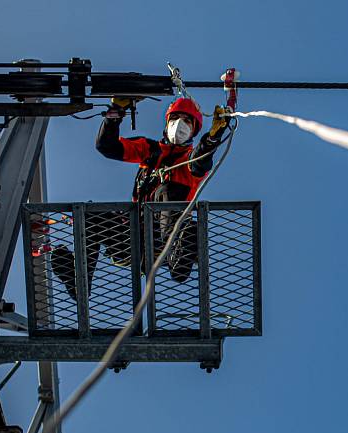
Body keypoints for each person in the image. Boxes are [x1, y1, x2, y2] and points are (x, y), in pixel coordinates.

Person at [52, 96, 230, 300]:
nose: (180, 124)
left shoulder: (189, 158)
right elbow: (107, 146)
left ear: (194, 130)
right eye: (176, 118)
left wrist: (212, 138)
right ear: (167, 121)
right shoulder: (151, 150)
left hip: (163, 241)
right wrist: (114, 114)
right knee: (93, 214)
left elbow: (200, 163)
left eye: (187, 121)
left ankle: (180, 259)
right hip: (130, 238)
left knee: (166, 190)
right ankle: (78, 281)